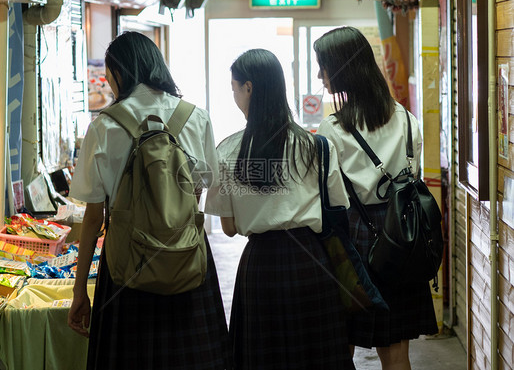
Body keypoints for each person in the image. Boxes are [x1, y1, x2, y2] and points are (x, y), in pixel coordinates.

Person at [67, 31, 231, 370]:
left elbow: (93, 217)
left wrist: (80, 290)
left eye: (110, 76)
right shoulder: (195, 116)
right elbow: (205, 184)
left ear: (120, 74)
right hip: (186, 256)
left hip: (125, 264)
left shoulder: (104, 126)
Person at [205, 48, 355, 370]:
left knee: (263, 358)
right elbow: (338, 207)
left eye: (233, 87)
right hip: (311, 263)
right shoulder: (316, 146)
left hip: (259, 268)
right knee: (315, 358)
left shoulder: (228, 150)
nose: (233, 95)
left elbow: (229, 228)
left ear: (248, 88)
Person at [314, 26, 438, 370]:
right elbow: (411, 177)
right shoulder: (405, 118)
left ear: (340, 69)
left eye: (322, 66)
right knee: (397, 351)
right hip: (403, 236)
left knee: (342, 344)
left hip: (355, 237)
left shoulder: (333, 129)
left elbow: (331, 195)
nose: (319, 75)